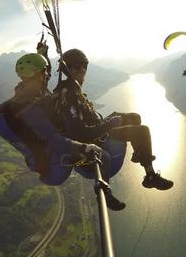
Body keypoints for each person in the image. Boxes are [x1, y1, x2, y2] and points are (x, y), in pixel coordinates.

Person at [0, 52, 125, 210]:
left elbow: (46, 82)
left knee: (91, 146)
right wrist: (84, 148)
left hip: (50, 156)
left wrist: (43, 53)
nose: (48, 75)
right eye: (45, 72)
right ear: (38, 74)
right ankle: (106, 197)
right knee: (102, 155)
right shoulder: (28, 108)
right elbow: (54, 140)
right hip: (54, 163)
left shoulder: (30, 93)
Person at [53, 48, 174, 190]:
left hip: (97, 126)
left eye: (84, 65)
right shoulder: (69, 94)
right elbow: (82, 134)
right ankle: (150, 176)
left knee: (134, 117)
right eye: (77, 66)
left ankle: (139, 154)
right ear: (68, 70)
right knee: (142, 131)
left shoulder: (69, 87)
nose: (83, 70)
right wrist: (109, 125)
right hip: (96, 138)